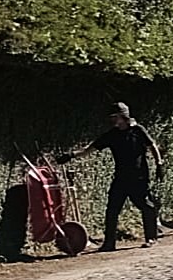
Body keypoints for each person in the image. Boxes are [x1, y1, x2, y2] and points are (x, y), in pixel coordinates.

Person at [62, 101, 164, 251]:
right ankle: (109, 243)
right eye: (111, 117)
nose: (113, 120)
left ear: (124, 116)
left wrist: (159, 164)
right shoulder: (112, 135)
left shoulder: (138, 131)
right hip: (121, 179)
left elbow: (152, 146)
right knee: (112, 210)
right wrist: (70, 156)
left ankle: (151, 237)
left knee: (146, 206)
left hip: (139, 177)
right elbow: (89, 150)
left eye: (115, 116)